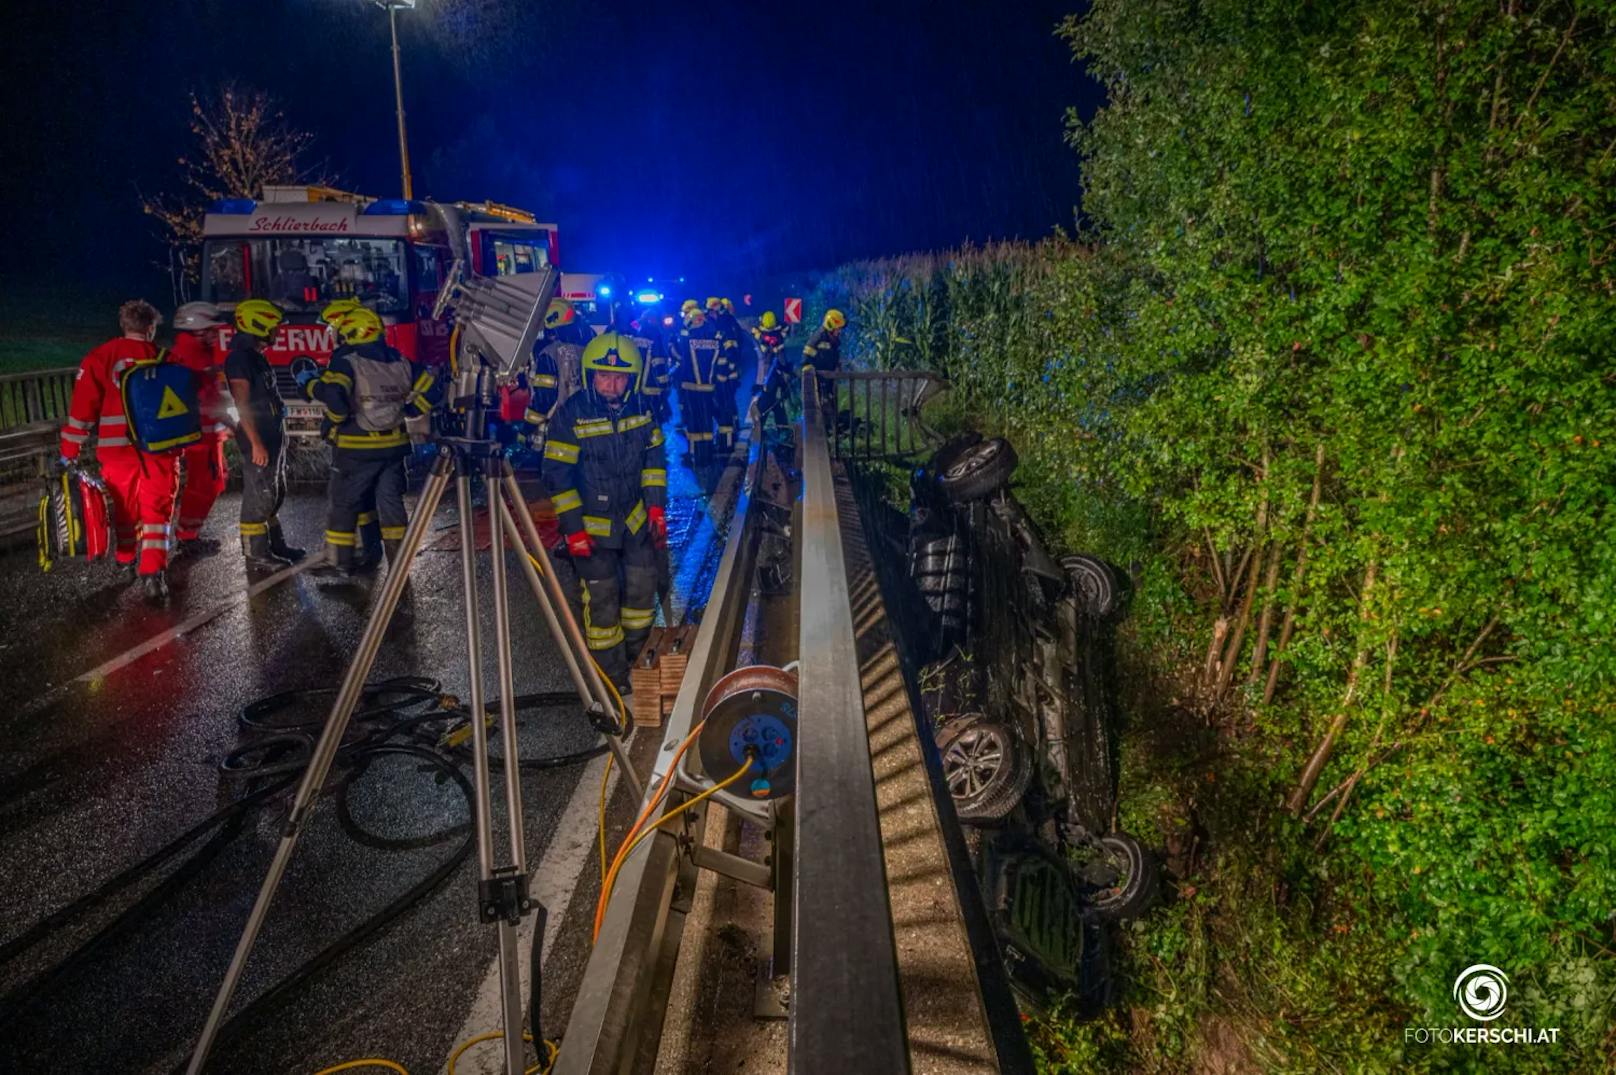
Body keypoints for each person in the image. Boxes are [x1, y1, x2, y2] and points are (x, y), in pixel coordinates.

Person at [541, 332, 667, 690]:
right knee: (602, 602)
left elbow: (654, 461)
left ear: (632, 379)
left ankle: (637, 660)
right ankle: (610, 678)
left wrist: (656, 508)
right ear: (590, 376)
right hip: (591, 530)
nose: (612, 385)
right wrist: (573, 529)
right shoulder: (570, 415)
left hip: (635, 522)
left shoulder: (643, 408)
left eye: (620, 377)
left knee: (642, 594)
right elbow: (557, 477)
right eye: (604, 376)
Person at [299, 305, 439, 578]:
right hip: (394, 447)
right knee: (390, 504)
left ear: (353, 332)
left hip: (356, 449)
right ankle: (399, 563)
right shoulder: (400, 360)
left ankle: (339, 561)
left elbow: (337, 403)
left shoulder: (347, 361)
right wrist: (411, 410)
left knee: (344, 501)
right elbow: (433, 386)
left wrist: (317, 395)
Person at [58, 299, 183, 601]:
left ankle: (126, 559)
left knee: (125, 510)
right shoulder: (166, 359)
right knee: (157, 514)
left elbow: (82, 410)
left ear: (124, 325)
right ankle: (153, 574)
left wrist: (69, 451)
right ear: (151, 328)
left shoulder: (99, 357)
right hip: (159, 450)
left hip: (115, 451)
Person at [226, 299, 305, 570]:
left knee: (273, 492)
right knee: (258, 496)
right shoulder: (240, 359)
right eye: (274, 327)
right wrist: (256, 443)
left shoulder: (254, 355)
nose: (278, 333)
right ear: (257, 326)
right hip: (257, 438)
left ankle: (276, 545)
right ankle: (257, 554)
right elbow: (242, 404)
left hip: (271, 435)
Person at [169, 302, 233, 556]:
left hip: (204, 431)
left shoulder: (195, 350)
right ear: (198, 329)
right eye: (211, 329)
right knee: (205, 483)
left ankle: (187, 532)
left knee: (212, 480)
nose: (216, 334)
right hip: (201, 433)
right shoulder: (193, 354)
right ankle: (187, 535)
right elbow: (207, 396)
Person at [670, 305, 732, 466]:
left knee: (693, 423)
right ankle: (707, 454)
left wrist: (672, 343)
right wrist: (721, 382)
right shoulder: (716, 337)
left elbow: (677, 356)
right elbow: (723, 362)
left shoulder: (686, 338)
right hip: (709, 387)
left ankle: (694, 455)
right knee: (706, 421)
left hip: (690, 387)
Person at [704, 298, 743, 454]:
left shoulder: (725, 325)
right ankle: (729, 435)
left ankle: (727, 443)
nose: (709, 315)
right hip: (722, 375)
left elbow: (732, 351)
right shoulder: (720, 323)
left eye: (711, 312)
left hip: (726, 376)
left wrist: (725, 373)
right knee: (726, 407)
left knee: (725, 407)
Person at [751, 309, 794, 433]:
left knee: (778, 400)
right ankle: (761, 424)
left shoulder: (780, 331)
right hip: (769, 370)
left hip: (779, 367)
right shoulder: (759, 333)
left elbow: (784, 334)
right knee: (770, 397)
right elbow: (759, 340)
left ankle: (781, 428)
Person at [801, 308, 847, 424]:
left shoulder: (833, 339)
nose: (839, 331)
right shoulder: (819, 337)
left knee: (830, 400)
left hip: (829, 376)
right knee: (821, 403)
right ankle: (823, 427)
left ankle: (831, 426)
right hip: (819, 377)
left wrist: (837, 365)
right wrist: (809, 371)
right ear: (830, 326)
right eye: (838, 329)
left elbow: (833, 355)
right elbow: (806, 356)